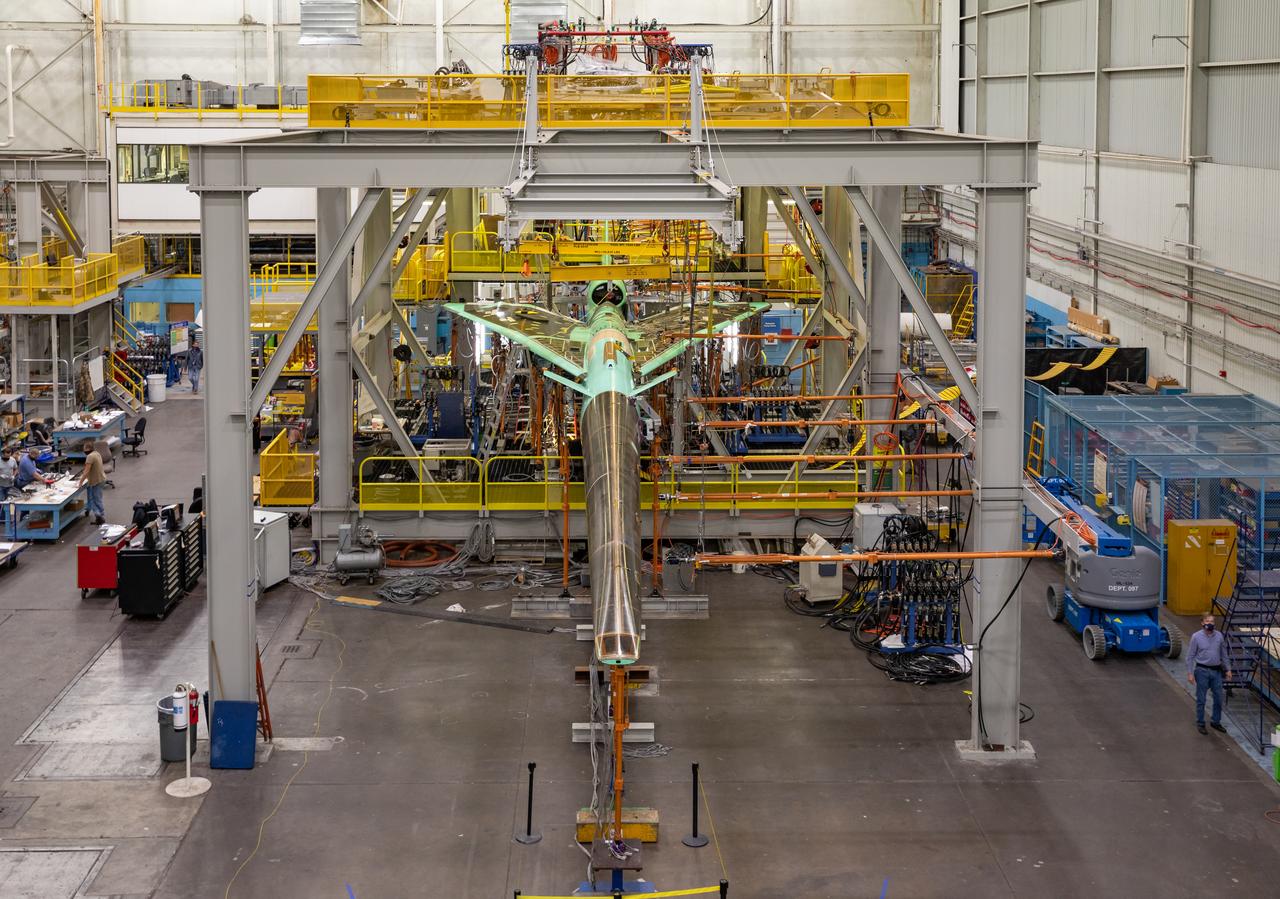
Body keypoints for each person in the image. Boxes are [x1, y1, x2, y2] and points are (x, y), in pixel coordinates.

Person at [1186, 612, 1231, 734]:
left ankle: (1215, 721)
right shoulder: (1196, 637)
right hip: (1202, 671)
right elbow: (1190, 656)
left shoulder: (1219, 636)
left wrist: (1228, 669)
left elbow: (1224, 654)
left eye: (1212, 621)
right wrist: (1190, 673)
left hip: (1216, 672)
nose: (1210, 624)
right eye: (1207, 621)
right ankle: (1200, 723)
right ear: (1202, 623)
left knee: (1218, 698)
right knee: (1201, 699)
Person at [77, 439, 107, 525]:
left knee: (95, 499)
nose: (83, 450)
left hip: (96, 481)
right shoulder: (97, 453)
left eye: (84, 449)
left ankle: (100, 517)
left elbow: (86, 471)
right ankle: (100, 515)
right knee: (97, 498)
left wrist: (80, 482)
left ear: (87, 448)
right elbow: (91, 469)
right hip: (101, 478)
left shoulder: (89, 456)